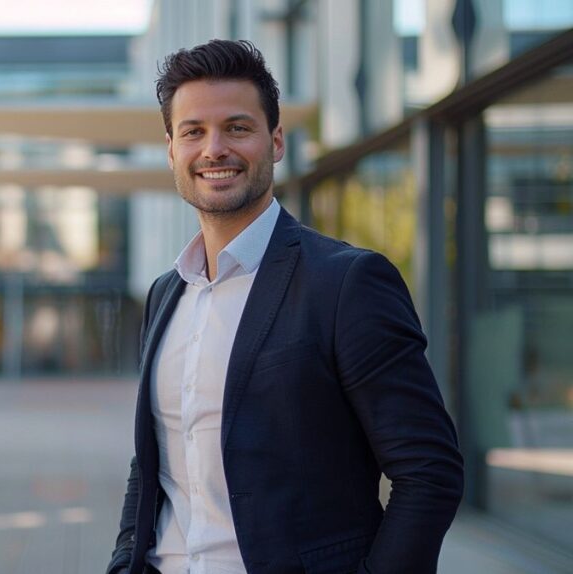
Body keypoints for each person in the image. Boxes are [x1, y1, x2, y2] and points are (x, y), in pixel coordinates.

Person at [107, 39, 463, 574]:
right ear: (170, 149)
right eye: (193, 132)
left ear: (275, 141)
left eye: (237, 127)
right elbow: (153, 460)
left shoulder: (346, 283)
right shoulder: (165, 294)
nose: (214, 149)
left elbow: (429, 472)